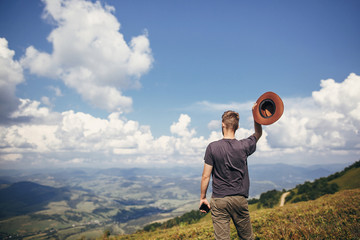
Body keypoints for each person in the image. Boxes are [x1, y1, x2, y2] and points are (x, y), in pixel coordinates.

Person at [199, 108, 262, 240]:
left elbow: (206, 176)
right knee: (247, 238)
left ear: (222, 124)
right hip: (239, 199)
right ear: (237, 126)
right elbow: (258, 133)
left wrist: (203, 197)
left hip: (219, 200)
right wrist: (256, 114)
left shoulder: (212, 147)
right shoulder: (244, 146)